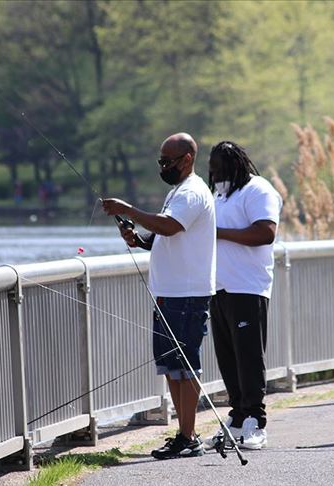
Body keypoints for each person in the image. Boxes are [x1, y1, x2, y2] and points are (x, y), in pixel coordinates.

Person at [101, 132, 216, 459]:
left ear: (187, 159)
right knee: (171, 366)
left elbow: (169, 226)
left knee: (185, 365)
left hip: (187, 295)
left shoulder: (192, 192)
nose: (163, 167)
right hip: (168, 294)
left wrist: (128, 209)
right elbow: (162, 235)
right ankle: (184, 434)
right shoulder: (178, 192)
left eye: (168, 162)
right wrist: (137, 239)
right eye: (160, 161)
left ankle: (189, 436)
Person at [202, 141, 282, 451]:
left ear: (237, 165)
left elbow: (265, 232)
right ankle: (237, 417)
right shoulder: (219, 196)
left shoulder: (258, 190)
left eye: (221, 169)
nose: (216, 175)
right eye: (213, 170)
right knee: (228, 358)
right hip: (219, 288)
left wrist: (218, 233)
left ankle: (255, 422)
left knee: (249, 358)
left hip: (248, 288)